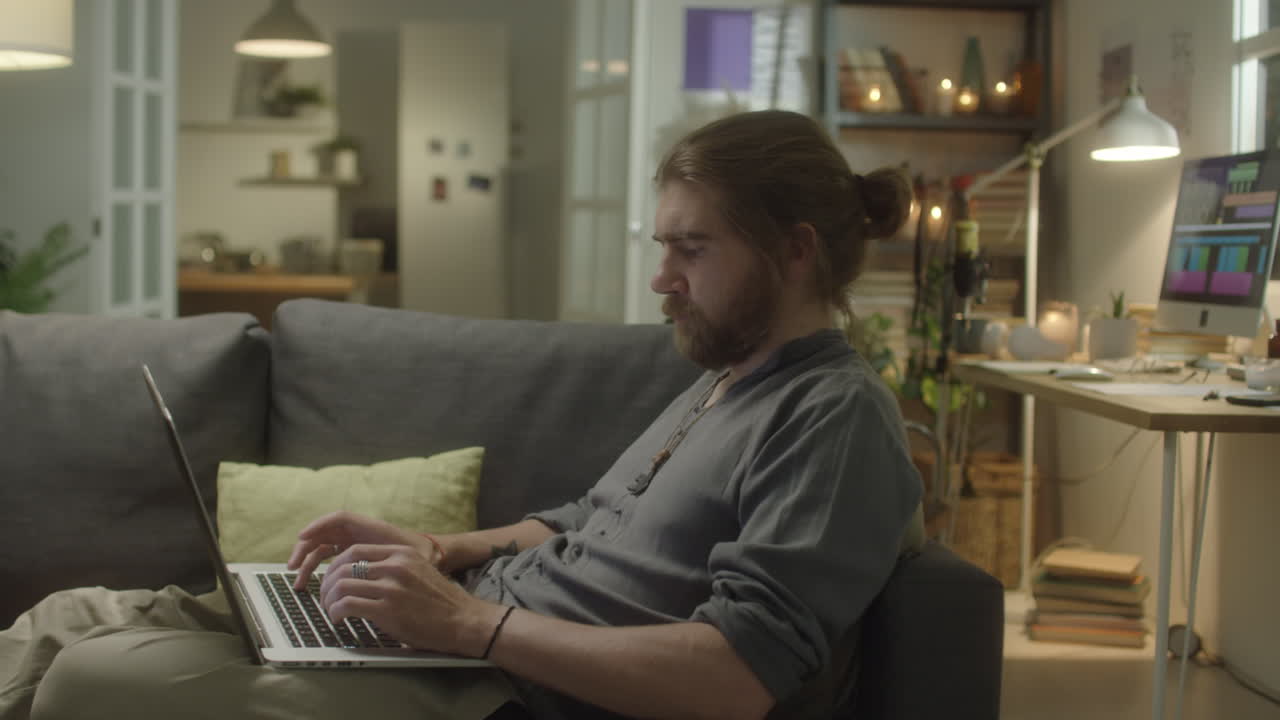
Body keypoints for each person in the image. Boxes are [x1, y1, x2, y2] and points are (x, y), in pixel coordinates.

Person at [0, 109, 923, 720]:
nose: (661, 280)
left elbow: (735, 677)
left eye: (692, 248)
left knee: (90, 678)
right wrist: (442, 550)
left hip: (491, 689)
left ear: (795, 251)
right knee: (73, 617)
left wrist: (467, 627)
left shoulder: (833, 420)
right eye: (663, 246)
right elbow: (583, 522)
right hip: (455, 637)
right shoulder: (725, 374)